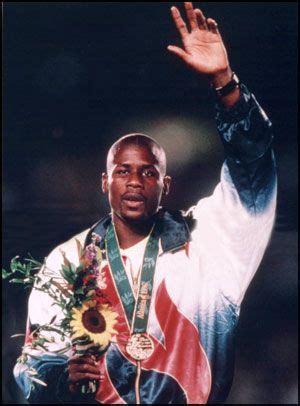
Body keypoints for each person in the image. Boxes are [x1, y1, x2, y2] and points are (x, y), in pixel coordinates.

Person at [14, 2, 277, 404]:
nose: (135, 181)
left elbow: (253, 169)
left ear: (166, 185)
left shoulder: (209, 243)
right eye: (123, 171)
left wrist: (226, 83)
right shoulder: (67, 261)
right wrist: (61, 377)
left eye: (148, 172)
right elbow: (32, 372)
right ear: (105, 182)